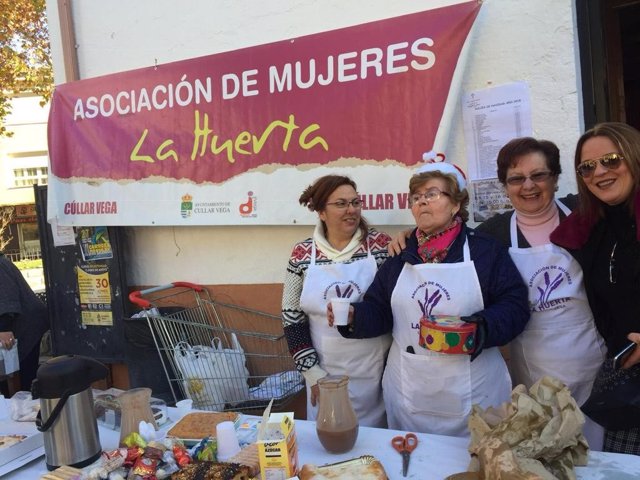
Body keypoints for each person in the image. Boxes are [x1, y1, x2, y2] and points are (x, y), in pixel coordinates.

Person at [329, 161, 529, 436]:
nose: (422, 202)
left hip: (474, 391)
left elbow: (515, 304)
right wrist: (355, 316)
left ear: (456, 204)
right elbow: (380, 310)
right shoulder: (400, 255)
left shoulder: (485, 252)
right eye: (416, 197)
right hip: (410, 392)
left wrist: (480, 329)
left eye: (432, 194)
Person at [475, 137, 607, 449]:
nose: (528, 186)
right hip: (533, 370)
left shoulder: (584, 214)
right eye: (516, 179)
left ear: (556, 178)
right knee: (547, 450)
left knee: (593, 452)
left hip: (592, 363)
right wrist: (412, 238)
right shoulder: (492, 234)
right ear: (505, 186)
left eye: (539, 175)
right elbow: (452, 242)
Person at [551, 122, 640, 455]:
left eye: (612, 160)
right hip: (625, 379)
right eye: (587, 167)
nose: (600, 171)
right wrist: (415, 237)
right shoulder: (592, 227)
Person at [282, 175, 392, 427]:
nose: (351, 210)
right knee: (332, 441)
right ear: (321, 211)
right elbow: (291, 317)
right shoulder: (302, 254)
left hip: (375, 371)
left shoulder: (381, 246)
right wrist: (312, 373)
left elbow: (392, 307)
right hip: (325, 374)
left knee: (375, 446)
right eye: (341, 204)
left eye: (355, 202)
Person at [0, 252, 49, 392]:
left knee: (22, 373)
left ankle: (26, 404)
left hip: (24, 324)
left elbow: (7, 298)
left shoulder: (1, 266)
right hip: (21, 322)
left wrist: (3, 328)